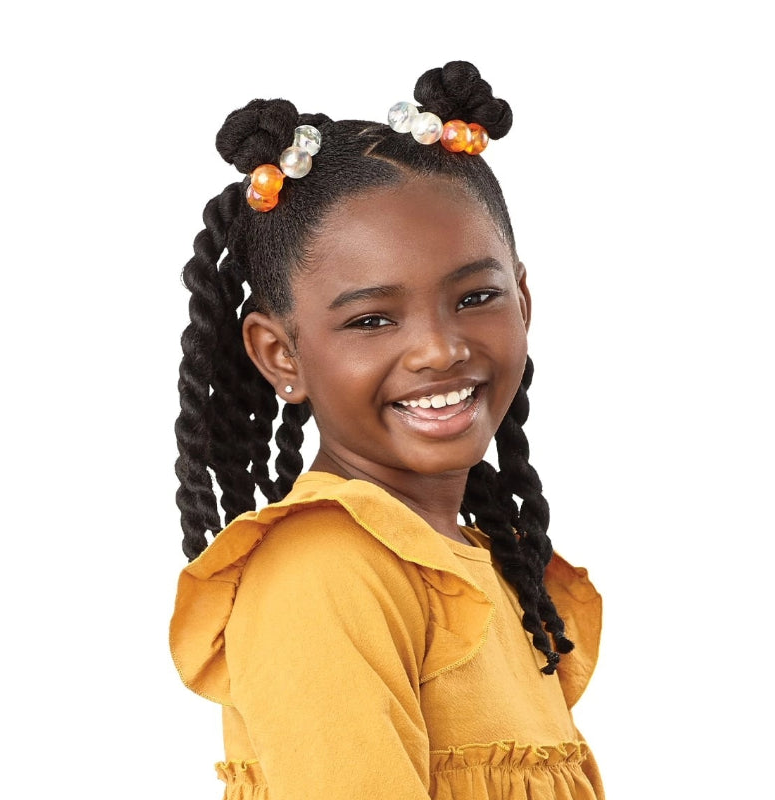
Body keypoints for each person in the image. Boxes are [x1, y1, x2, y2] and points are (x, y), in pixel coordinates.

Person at [169, 60, 604, 800]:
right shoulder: (326, 572)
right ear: (282, 354)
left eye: (476, 297)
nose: (440, 349)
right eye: (372, 319)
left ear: (523, 301)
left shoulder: (484, 566)